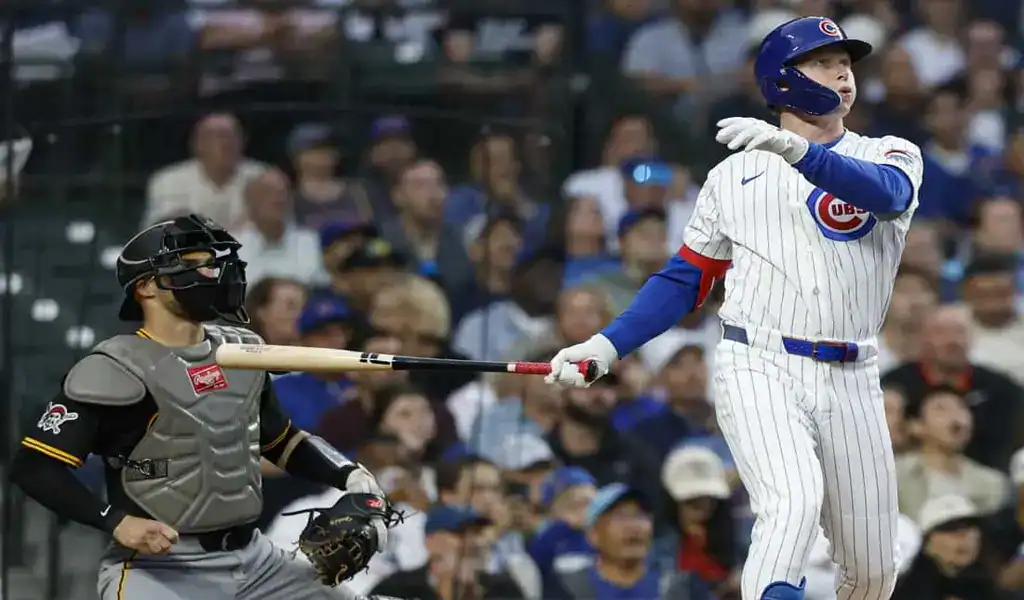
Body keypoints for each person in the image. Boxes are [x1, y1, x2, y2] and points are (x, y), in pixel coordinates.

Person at [547, 16, 923, 600]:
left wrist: (798, 151)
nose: (842, 72)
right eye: (822, 62)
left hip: (854, 374)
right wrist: (605, 345)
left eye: (846, 61)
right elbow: (685, 279)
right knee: (792, 502)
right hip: (760, 361)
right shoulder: (733, 175)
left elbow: (886, 194)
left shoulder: (890, 152)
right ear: (782, 80)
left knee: (873, 570)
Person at [8, 214, 404, 600]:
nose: (214, 275)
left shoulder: (241, 350)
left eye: (213, 264)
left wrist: (348, 474)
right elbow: (34, 466)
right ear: (146, 287)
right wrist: (114, 521)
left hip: (256, 559)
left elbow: (280, 439)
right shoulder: (116, 367)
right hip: (159, 569)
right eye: (195, 265)